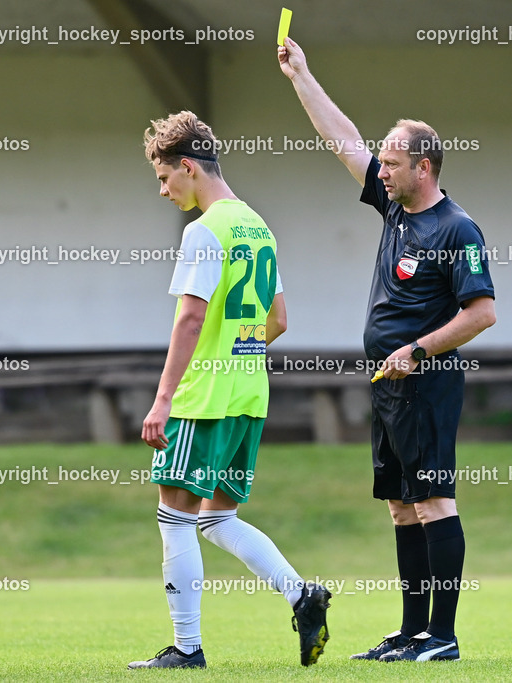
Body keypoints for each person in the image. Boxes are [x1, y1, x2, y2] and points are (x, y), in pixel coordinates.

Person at [279, 38, 497, 662]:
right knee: (402, 507)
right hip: (387, 385)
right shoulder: (395, 209)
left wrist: (419, 350)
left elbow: (481, 312)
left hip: (425, 384)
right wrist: (302, 74)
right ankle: (410, 631)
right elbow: (342, 138)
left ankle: (444, 636)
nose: (382, 170)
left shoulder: (456, 229)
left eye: (394, 164)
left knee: (434, 501)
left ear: (423, 167)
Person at [129, 111, 330, 670]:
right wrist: (240, 347)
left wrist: (163, 398)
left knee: (175, 516)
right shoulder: (257, 226)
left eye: (165, 179)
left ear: (188, 167)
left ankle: (186, 649)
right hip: (249, 395)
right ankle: (302, 594)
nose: (164, 191)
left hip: (205, 399)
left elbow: (190, 319)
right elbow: (280, 319)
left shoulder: (204, 230)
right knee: (217, 518)